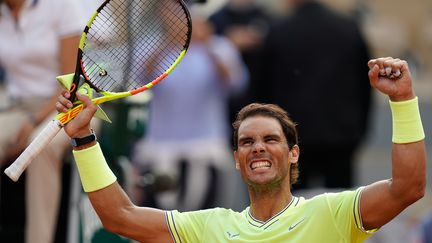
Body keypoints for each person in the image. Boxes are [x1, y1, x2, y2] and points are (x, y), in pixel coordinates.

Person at [56, 57, 426, 242]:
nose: (257, 148)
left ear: (293, 153)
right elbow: (120, 217)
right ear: (236, 159)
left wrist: (404, 100)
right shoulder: (210, 226)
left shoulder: (333, 213)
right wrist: (84, 139)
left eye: (270, 139)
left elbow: (408, 187)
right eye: (247, 142)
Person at [130, 12, 249, 211]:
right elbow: (138, 82)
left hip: (206, 149)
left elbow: (235, 84)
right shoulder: (152, 46)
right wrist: (169, 42)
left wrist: (207, 43)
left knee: (204, 217)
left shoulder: (219, 47)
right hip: (159, 148)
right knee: (158, 217)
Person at [256, 0, 372, 189]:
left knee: (292, 210)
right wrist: (359, 131)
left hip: (292, 136)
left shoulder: (279, 30)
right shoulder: (348, 27)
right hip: (340, 136)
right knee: (340, 208)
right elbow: (364, 84)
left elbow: (263, 88)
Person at [0, 0, 85, 242]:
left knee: (41, 147)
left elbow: (71, 83)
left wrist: (34, 121)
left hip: (69, 104)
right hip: (18, 106)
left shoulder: (62, 5)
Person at [209, 0, 271, 132]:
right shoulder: (216, 19)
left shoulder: (267, 18)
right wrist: (228, 43)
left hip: (262, 95)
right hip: (226, 107)